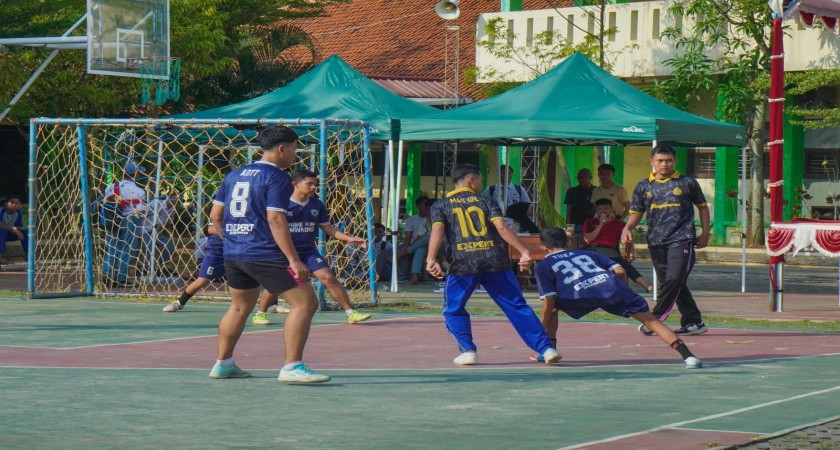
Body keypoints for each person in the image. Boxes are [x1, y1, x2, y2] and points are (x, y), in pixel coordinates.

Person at [208, 125, 329, 383]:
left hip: (234, 252)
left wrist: (232, 240)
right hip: (264, 252)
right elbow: (275, 218)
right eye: (294, 149)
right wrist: (294, 260)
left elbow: (215, 216)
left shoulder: (234, 175)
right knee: (305, 303)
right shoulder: (277, 177)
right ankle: (292, 367)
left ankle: (223, 364)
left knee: (239, 307)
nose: (295, 154)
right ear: (282, 148)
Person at [425, 163, 561, 366]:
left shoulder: (441, 205)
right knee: (516, 305)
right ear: (471, 180)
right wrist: (524, 251)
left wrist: (431, 259)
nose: (482, 184)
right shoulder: (487, 201)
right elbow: (502, 227)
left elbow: (437, 231)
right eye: (480, 180)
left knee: (453, 308)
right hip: (495, 260)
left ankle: (468, 351)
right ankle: (546, 348)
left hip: (463, 263)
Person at [532, 227, 702, 368]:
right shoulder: (588, 254)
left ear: (543, 247)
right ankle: (689, 357)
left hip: (580, 296)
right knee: (651, 321)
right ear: (568, 242)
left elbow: (549, 298)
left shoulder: (543, 265)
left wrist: (542, 327)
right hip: (610, 288)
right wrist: (622, 289)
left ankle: (548, 349)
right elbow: (620, 270)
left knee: (554, 306)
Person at [253, 168, 372, 325]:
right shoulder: (282, 204)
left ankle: (351, 313)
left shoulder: (316, 204)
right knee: (278, 283)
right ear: (296, 184)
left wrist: (349, 239)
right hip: (285, 252)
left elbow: (328, 228)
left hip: (308, 251)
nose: (314, 187)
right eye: (309, 184)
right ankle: (260, 313)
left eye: (315, 184)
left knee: (329, 278)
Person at [621, 143, 711, 337]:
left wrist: (705, 233)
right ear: (652, 162)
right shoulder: (643, 186)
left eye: (668, 160)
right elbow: (636, 213)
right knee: (672, 284)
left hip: (682, 239)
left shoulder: (687, 183)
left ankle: (654, 319)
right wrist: (627, 228)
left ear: (674, 161)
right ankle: (694, 322)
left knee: (674, 279)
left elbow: (703, 207)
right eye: (660, 161)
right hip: (656, 242)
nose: (664, 164)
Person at [162, 222, 280, 312]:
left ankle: (273, 304)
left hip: (239, 249)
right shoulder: (222, 208)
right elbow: (211, 229)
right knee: (202, 280)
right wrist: (233, 233)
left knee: (262, 274)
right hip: (217, 251)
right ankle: (180, 302)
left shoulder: (250, 212)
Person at [583, 198, 652, 292]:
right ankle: (646, 285)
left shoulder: (619, 224)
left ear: (611, 209)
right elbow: (588, 239)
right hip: (592, 249)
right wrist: (600, 225)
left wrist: (629, 254)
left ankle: (642, 287)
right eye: (599, 209)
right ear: (596, 210)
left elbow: (628, 240)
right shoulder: (589, 222)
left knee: (622, 263)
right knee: (619, 262)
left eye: (605, 208)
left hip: (610, 249)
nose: (602, 211)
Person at [101, 162, 147, 288]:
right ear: (136, 174)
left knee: (112, 247)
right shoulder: (139, 191)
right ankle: (121, 278)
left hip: (111, 220)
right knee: (127, 249)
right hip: (130, 220)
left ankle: (107, 274)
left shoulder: (110, 187)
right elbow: (141, 211)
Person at [140, 194, 177, 277]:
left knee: (169, 247)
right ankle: (145, 269)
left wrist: (172, 236)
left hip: (156, 233)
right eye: (175, 198)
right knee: (149, 249)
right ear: (170, 197)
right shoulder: (156, 203)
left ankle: (162, 268)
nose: (177, 201)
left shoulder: (172, 210)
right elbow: (143, 213)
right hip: (145, 230)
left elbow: (168, 224)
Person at [399, 195, 431, 285]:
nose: (427, 210)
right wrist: (411, 246)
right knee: (420, 250)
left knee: (430, 237)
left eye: (428, 208)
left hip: (440, 244)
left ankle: (403, 253)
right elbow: (418, 237)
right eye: (425, 207)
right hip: (425, 247)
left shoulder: (441, 218)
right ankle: (415, 277)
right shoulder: (423, 220)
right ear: (417, 207)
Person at [563, 168, 595, 236]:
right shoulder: (571, 191)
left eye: (583, 177)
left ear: (590, 177)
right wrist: (569, 227)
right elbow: (568, 211)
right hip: (576, 225)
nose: (580, 180)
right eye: (578, 177)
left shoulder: (596, 190)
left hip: (592, 224)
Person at [0, 196, 28, 264]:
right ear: (6, 203)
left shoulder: (18, 212)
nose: (14, 204)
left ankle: (28, 255)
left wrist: (18, 230)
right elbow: (0, 225)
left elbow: (18, 226)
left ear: (19, 204)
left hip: (9, 233)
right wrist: (14, 229)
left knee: (26, 232)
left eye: (16, 203)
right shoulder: (1, 210)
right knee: (2, 231)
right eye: (12, 202)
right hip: (2, 233)